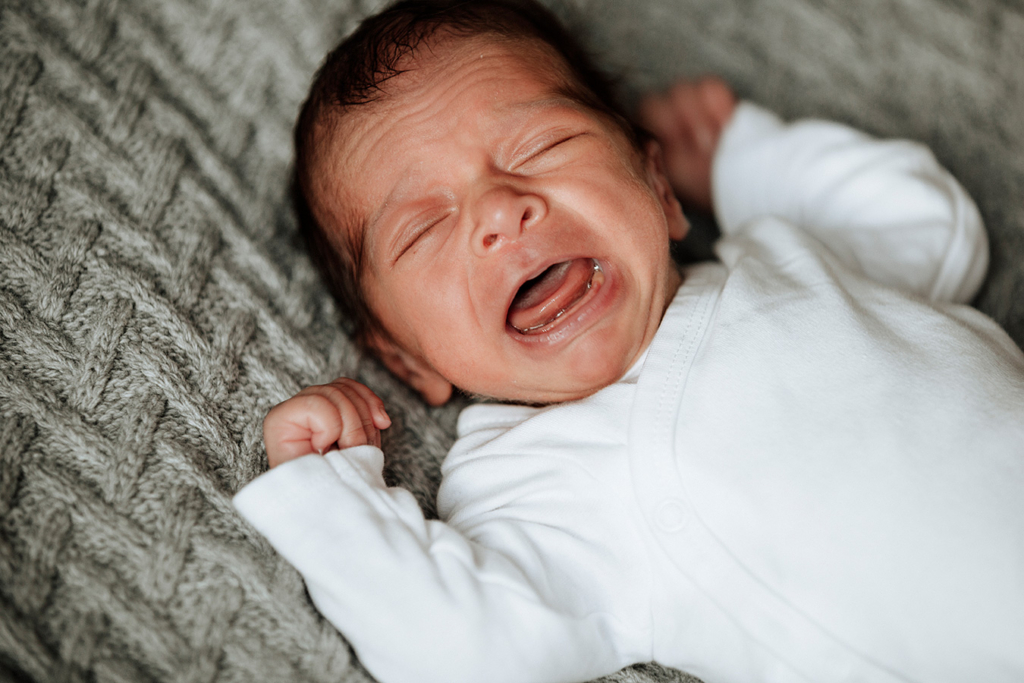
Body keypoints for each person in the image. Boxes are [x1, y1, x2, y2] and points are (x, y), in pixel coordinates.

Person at [233, 1, 1024, 682]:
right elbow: (465, 651)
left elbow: (932, 227)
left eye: (541, 147)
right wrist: (330, 492)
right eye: (425, 227)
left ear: (658, 188)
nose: (501, 209)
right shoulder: (542, 479)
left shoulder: (786, 249)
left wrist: (743, 161)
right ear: (406, 360)